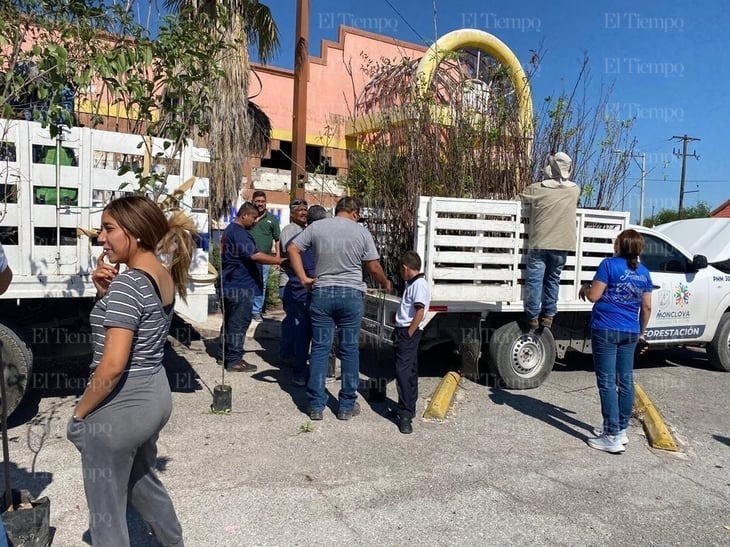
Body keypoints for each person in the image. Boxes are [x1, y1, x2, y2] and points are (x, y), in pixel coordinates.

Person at [66, 196, 192, 546]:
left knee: (105, 512)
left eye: (108, 229)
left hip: (122, 406)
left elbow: (113, 363)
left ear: (134, 233)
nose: (101, 238)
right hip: (154, 393)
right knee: (142, 480)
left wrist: (80, 413)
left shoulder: (129, 283)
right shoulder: (160, 273)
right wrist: (103, 295)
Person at [287, 196, 391, 421]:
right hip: (350, 295)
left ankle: (315, 406)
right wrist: (385, 283)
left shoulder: (317, 227)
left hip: (322, 293)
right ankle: (345, 406)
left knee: (320, 348)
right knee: (349, 350)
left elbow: (292, 248)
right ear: (355, 212)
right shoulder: (361, 232)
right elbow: (373, 266)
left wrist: (304, 278)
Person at [579, 229, 653, 454]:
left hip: (606, 329)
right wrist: (641, 331)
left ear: (618, 246)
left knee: (607, 381)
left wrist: (585, 287)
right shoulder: (644, 273)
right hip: (630, 330)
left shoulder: (608, 265)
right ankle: (620, 429)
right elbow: (647, 306)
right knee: (625, 380)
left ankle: (610, 435)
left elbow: (594, 296)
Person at [219, 202, 285, 372]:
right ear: (244, 216)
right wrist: (279, 260)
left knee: (230, 322)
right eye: (254, 218)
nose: (255, 222)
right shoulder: (239, 233)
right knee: (238, 324)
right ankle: (234, 359)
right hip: (240, 286)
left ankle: (225, 354)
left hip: (231, 284)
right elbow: (254, 255)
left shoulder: (230, 231)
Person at [520, 152, 580, 330]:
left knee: (535, 280)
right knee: (553, 279)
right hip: (562, 244)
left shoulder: (536, 188)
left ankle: (532, 316)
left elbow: (517, 200)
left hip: (540, 242)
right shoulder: (574, 190)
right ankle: (549, 315)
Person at [287, 205, 329, 386]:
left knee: (301, 336)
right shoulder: (320, 242)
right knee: (317, 338)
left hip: (298, 293)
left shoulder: (296, 241)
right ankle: (312, 375)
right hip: (310, 295)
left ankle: (300, 374)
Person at [393, 251, 430, 434]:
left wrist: (408, 333)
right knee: (410, 370)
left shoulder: (419, 285)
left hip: (409, 331)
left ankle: (406, 414)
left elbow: (420, 312)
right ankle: (405, 406)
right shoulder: (412, 283)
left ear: (405, 268)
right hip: (404, 330)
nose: (401, 274)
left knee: (403, 372)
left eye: (401, 271)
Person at [278, 199, 308, 365]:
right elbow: (292, 255)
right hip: (289, 282)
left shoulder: (305, 229)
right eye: (300, 210)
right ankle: (286, 354)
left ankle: (295, 353)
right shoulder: (290, 230)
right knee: (292, 319)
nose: (304, 213)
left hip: (299, 283)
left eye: (305, 209)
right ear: (292, 213)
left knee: (298, 320)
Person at [249, 190, 280, 322]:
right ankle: (245, 309)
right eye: (258, 201)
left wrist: (278, 257)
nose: (260, 204)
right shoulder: (248, 216)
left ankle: (256, 311)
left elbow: (277, 239)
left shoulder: (272, 219)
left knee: (262, 284)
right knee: (247, 283)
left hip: (265, 259)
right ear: (253, 202)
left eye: (263, 201)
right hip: (247, 258)